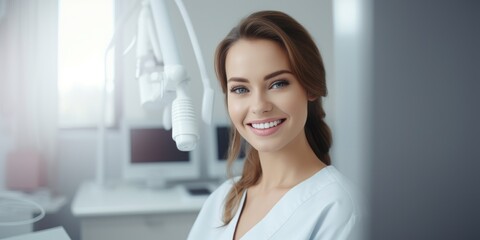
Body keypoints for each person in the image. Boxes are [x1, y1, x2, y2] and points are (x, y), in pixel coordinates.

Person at [188, 10, 357, 240]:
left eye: (278, 84)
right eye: (240, 89)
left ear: (310, 87)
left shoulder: (339, 208)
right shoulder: (223, 199)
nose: (259, 106)